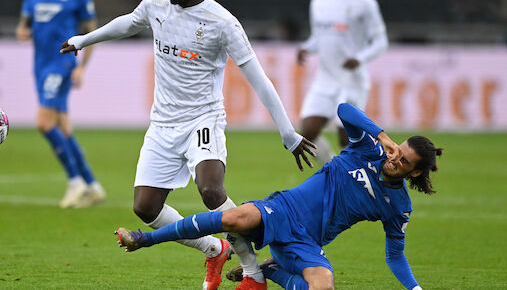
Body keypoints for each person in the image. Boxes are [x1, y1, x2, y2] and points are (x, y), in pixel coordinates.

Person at [60, 0, 315, 288]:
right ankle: (213, 248)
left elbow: (259, 79)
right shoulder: (155, 5)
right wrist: (84, 39)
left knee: (211, 190)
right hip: (163, 123)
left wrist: (287, 132)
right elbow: (127, 23)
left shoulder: (222, 22)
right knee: (145, 207)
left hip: (202, 120)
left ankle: (252, 272)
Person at [117, 103, 441, 290]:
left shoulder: (398, 207)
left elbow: (395, 256)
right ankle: (145, 239)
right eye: (398, 150)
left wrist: (415, 289)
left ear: (414, 172)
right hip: (284, 209)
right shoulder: (367, 149)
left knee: (323, 285)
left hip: (308, 243)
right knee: (234, 217)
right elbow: (343, 109)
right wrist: (383, 135)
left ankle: (271, 270)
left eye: (404, 160)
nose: (395, 157)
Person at [16, 0, 105, 208]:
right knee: (63, 126)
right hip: (40, 65)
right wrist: (22, 30)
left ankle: (75, 181)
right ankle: (92, 186)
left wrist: (82, 67)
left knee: (44, 123)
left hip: (62, 63)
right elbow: (25, 24)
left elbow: (92, 34)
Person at [297, 0, 388, 165]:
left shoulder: (365, 3)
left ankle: (357, 177)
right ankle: (332, 167)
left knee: (346, 139)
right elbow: (319, 37)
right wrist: (305, 48)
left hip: (351, 80)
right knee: (307, 132)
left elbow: (381, 41)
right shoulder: (318, 2)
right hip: (325, 79)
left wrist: (360, 58)